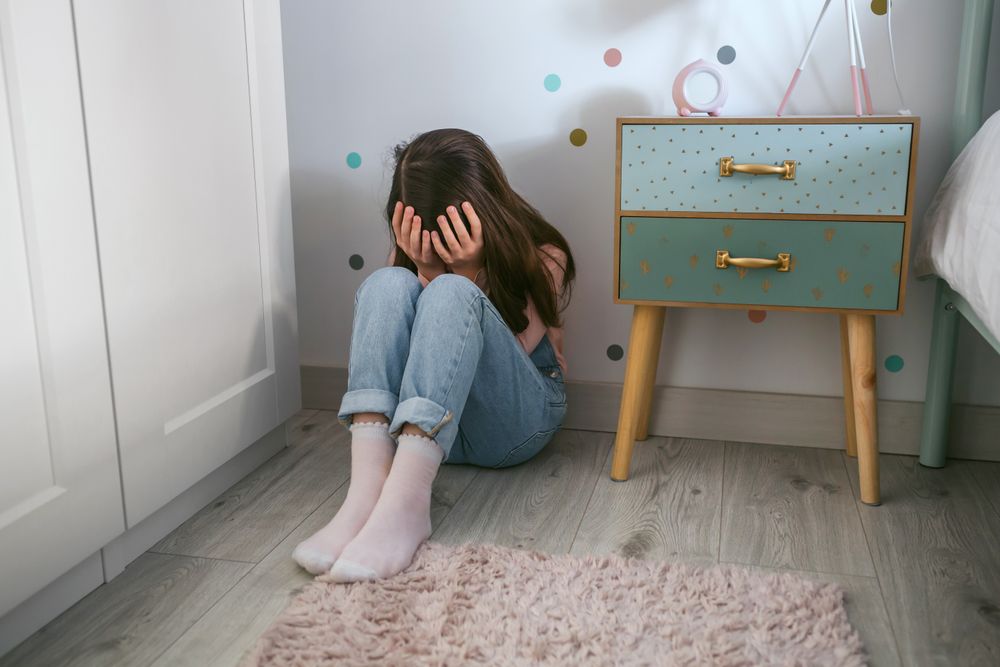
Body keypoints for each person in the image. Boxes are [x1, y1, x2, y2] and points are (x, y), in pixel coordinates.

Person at [292, 128, 575, 582]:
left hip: (514, 424)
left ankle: (405, 508)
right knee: (386, 285)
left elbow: (511, 350)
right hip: (425, 435)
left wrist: (461, 273)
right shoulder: (410, 255)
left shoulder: (543, 255)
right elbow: (398, 352)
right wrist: (420, 268)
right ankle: (366, 495)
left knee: (450, 293)